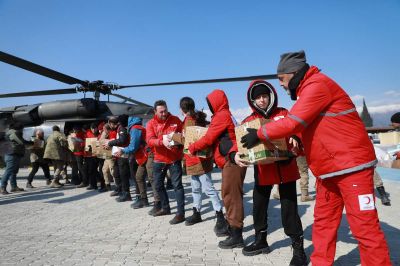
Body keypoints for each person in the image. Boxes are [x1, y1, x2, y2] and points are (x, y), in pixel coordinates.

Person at [241, 50, 391, 265]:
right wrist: (298, 142)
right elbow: (309, 128)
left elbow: (293, 122)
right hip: (329, 171)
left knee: (364, 228)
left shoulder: (317, 85)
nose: (282, 85)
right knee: (323, 224)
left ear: (293, 73)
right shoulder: (307, 91)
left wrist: (260, 134)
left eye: (282, 79)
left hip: (352, 169)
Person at [233, 81, 307, 264]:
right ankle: (261, 240)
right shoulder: (249, 120)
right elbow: (238, 140)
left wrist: (297, 137)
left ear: (271, 96)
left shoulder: (283, 114)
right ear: (252, 100)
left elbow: (299, 128)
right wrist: (234, 154)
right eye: (257, 97)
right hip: (263, 169)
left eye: (264, 96)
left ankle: (298, 249)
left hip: (286, 167)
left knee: (289, 210)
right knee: (258, 206)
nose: (262, 100)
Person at [188, 90, 246, 249]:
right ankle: (232, 227)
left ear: (215, 103)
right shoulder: (225, 114)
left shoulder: (221, 115)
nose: (209, 107)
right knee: (231, 195)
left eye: (210, 104)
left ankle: (236, 236)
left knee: (231, 197)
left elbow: (209, 138)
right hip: (232, 159)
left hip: (232, 160)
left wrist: (193, 147)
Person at [179, 97, 228, 236]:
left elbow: (188, 140)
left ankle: (219, 214)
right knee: (197, 187)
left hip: (195, 158)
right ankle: (197, 211)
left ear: (182, 109)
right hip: (200, 158)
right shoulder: (199, 118)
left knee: (206, 188)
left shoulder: (189, 121)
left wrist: (174, 137)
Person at [146, 100, 185, 224]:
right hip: (159, 159)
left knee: (177, 186)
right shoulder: (151, 123)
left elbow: (183, 134)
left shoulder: (175, 120)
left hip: (174, 158)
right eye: (161, 111)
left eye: (165, 110)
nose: (164, 113)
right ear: (155, 112)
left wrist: (179, 140)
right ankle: (165, 208)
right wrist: (161, 142)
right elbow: (149, 140)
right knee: (158, 185)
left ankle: (180, 213)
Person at [115, 116, 151, 209]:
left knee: (152, 180)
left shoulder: (135, 129)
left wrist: (123, 150)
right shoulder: (139, 127)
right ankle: (143, 200)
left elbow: (133, 146)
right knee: (139, 177)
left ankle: (159, 203)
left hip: (146, 156)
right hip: (144, 156)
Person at [105, 115, 131, 202]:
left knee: (123, 175)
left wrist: (110, 143)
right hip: (118, 155)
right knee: (116, 173)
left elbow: (122, 140)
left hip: (123, 155)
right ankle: (120, 189)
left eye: (109, 123)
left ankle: (126, 194)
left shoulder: (121, 128)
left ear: (112, 123)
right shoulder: (118, 129)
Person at [1, 122, 31, 194]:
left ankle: (14, 187)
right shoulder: (14, 133)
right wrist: (32, 143)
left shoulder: (11, 132)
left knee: (14, 171)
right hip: (12, 154)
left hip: (14, 154)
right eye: (22, 129)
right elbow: (21, 142)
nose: (22, 130)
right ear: (20, 128)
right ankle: (2, 187)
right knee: (9, 171)